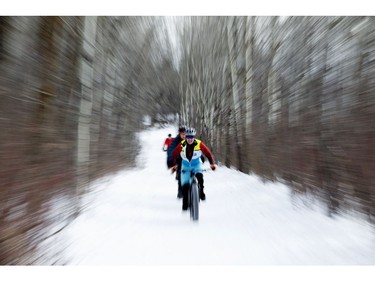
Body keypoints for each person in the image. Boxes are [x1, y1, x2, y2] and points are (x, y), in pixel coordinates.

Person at [171, 127, 216, 211]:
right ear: (186, 137)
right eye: (188, 137)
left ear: (194, 137)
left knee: (200, 177)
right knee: (185, 186)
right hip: (185, 166)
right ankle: (185, 203)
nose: (190, 139)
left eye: (191, 137)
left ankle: (201, 192)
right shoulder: (182, 144)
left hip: (196, 165)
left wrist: (212, 164)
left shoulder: (199, 144)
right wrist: (174, 165)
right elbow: (174, 154)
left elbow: (208, 153)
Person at [167, 126, 186, 198]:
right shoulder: (176, 140)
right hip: (179, 158)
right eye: (182, 134)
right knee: (181, 172)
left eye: (185, 134)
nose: (183, 136)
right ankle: (180, 190)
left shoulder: (189, 139)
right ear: (179, 134)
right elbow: (171, 149)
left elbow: (197, 147)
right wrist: (170, 157)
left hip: (188, 158)